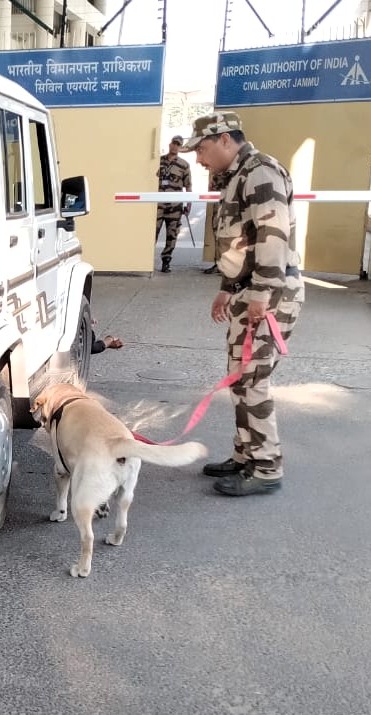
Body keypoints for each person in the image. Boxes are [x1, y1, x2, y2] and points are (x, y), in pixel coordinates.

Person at [181, 112, 304, 497]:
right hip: (247, 290)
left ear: (223, 140)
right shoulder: (237, 175)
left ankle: (266, 467)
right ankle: (245, 455)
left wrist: (261, 295)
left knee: (253, 381)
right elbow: (239, 243)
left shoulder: (260, 172)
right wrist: (227, 286)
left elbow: (271, 237)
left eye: (201, 149)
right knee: (240, 380)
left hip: (268, 294)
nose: (198, 159)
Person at [155, 135, 192, 273]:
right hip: (158, 205)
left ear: (181, 147)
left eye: (178, 144)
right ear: (170, 144)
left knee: (172, 234)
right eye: (174, 143)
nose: (175, 146)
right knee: (153, 232)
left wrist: (188, 204)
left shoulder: (184, 165)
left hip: (175, 206)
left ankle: (166, 260)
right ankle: (146, 261)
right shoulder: (159, 161)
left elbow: (188, 186)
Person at [202, 170, 226, 274]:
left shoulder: (236, 169)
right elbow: (212, 188)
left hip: (231, 207)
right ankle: (219, 264)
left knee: (228, 236)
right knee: (217, 234)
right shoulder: (218, 169)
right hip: (218, 206)